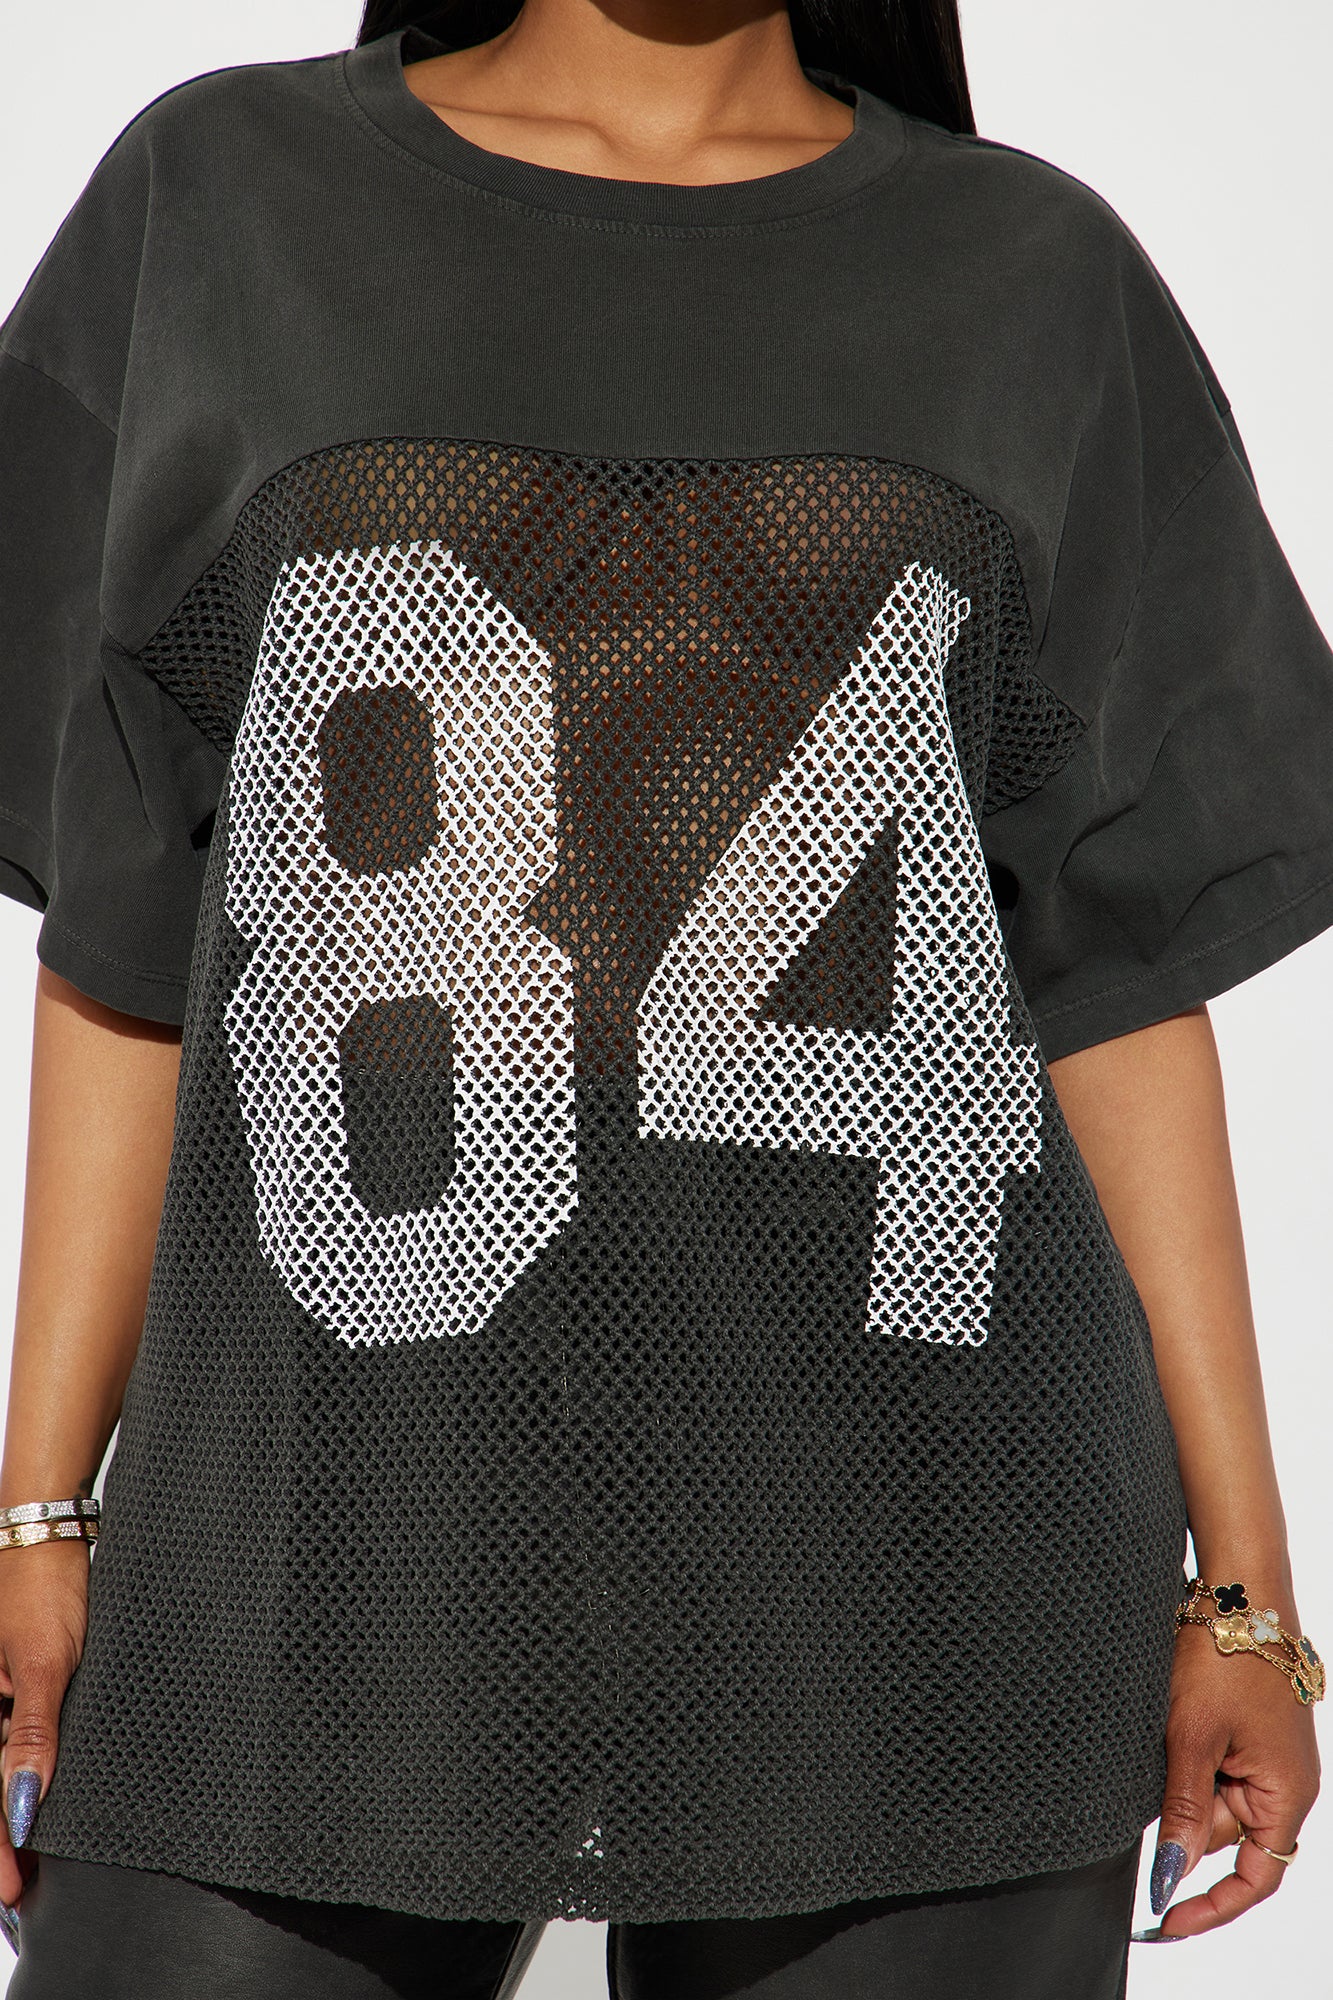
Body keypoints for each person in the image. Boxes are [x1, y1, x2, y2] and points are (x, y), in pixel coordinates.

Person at [0, 1, 1328, 1993]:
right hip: (321, 1532)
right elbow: (125, 932)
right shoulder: (227, 198)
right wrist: (35, 1520)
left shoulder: (1026, 270)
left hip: (927, 1558)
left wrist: (1244, 1596)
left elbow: (1115, 975)